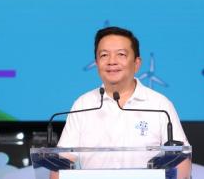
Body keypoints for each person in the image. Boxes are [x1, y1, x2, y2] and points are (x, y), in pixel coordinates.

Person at [52, 26, 192, 177]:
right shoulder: (83, 105)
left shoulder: (160, 105)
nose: (112, 61)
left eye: (121, 54)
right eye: (104, 55)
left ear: (137, 63)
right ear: (97, 63)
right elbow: (62, 164)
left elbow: (181, 160)